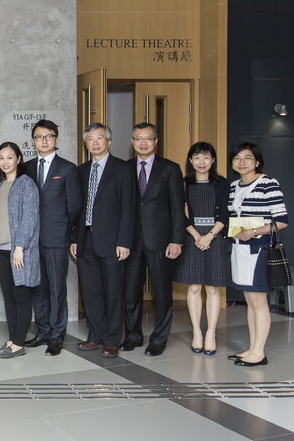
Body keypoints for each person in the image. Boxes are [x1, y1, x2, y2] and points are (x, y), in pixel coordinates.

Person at [71, 123, 135, 359]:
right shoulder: (81, 170)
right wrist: (74, 238)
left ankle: (111, 340)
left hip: (112, 241)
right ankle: (95, 336)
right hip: (85, 239)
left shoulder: (122, 169)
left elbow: (129, 208)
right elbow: (78, 208)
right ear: (86, 144)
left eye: (99, 138)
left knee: (113, 291)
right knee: (91, 292)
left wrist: (125, 241)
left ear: (108, 141)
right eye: (90, 139)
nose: (95, 143)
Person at [122, 123, 187, 356]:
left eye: (148, 139)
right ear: (132, 141)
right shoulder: (124, 168)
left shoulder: (170, 169)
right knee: (130, 292)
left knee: (161, 293)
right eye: (138, 139)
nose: (143, 143)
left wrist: (176, 240)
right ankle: (132, 335)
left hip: (160, 240)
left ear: (156, 141)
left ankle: (159, 340)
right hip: (130, 241)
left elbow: (178, 209)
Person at [227, 142, 288, 367]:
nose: (241, 162)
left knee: (258, 301)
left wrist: (252, 232)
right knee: (249, 301)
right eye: (237, 158)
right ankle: (252, 348)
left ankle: (259, 352)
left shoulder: (268, 183)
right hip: (239, 248)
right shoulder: (234, 186)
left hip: (259, 249)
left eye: (247, 158)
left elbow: (281, 221)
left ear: (257, 162)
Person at [25, 120, 81, 357]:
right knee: (37, 288)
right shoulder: (26, 167)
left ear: (56, 139)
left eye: (48, 136)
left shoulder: (68, 168)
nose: (44, 140)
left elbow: (75, 206)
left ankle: (57, 336)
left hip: (56, 239)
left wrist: (69, 236)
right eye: (39, 137)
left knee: (57, 289)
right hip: (31, 239)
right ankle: (43, 331)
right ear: (33, 141)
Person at [174, 142, 230, 355]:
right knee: (195, 286)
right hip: (192, 237)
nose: (201, 162)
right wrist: (198, 236)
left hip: (215, 237)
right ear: (190, 160)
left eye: (206, 157)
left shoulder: (222, 183)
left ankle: (211, 333)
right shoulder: (184, 184)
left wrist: (210, 236)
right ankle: (197, 331)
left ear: (213, 160)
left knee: (213, 288)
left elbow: (226, 213)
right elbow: (180, 213)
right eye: (197, 158)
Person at [0, 142, 40, 359]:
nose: (5, 162)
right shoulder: (0, 184)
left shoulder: (26, 184)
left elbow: (30, 217)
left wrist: (20, 247)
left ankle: (19, 344)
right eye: (1, 157)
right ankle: (12, 340)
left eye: (10, 157)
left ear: (19, 159)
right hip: (1, 249)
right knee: (9, 297)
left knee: (21, 296)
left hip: (18, 250)